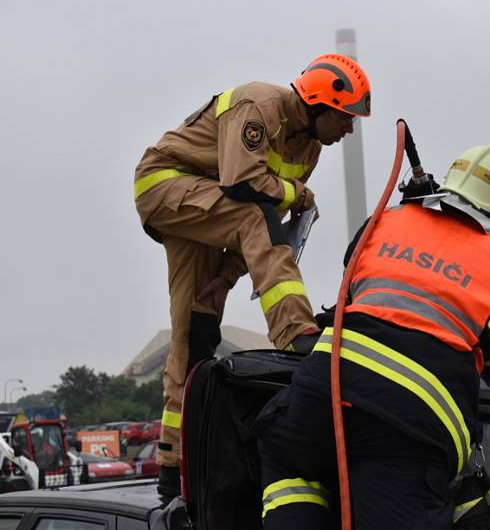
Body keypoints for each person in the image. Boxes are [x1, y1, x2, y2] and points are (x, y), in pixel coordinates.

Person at [255, 144, 490, 529]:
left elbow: (354, 294)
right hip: (416, 424)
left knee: (289, 456)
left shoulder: (382, 222)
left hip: (327, 388)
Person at [133, 53, 371, 497]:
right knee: (254, 216)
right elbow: (244, 185)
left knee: (196, 332)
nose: (349, 128)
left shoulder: (309, 148)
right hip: (165, 184)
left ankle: (172, 464)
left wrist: (225, 276)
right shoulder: (262, 104)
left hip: (208, 209)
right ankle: (297, 334)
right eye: (345, 117)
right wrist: (297, 195)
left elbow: (265, 218)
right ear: (319, 102)